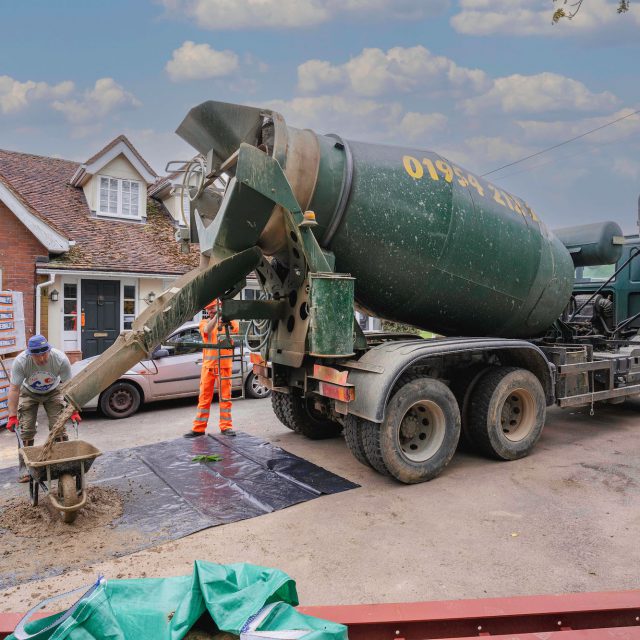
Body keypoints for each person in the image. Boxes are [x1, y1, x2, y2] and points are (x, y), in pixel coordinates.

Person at [6, 335, 80, 482]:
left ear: (49, 350)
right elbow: (14, 389)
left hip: (53, 392)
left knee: (58, 427)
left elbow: (68, 386)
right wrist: (12, 415)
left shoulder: (60, 359)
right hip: (29, 393)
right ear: (30, 354)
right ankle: (26, 468)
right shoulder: (21, 362)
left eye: (44, 354)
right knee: (26, 430)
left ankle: (65, 464)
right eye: (37, 355)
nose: (41, 359)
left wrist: (74, 410)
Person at [184, 300, 239, 439]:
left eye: (212, 309)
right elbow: (207, 330)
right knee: (204, 399)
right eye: (208, 310)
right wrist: (216, 317)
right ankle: (198, 429)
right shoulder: (204, 323)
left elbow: (236, 330)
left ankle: (226, 427)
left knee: (225, 398)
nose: (209, 311)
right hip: (209, 367)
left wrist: (225, 317)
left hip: (224, 366)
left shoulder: (231, 321)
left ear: (219, 307)